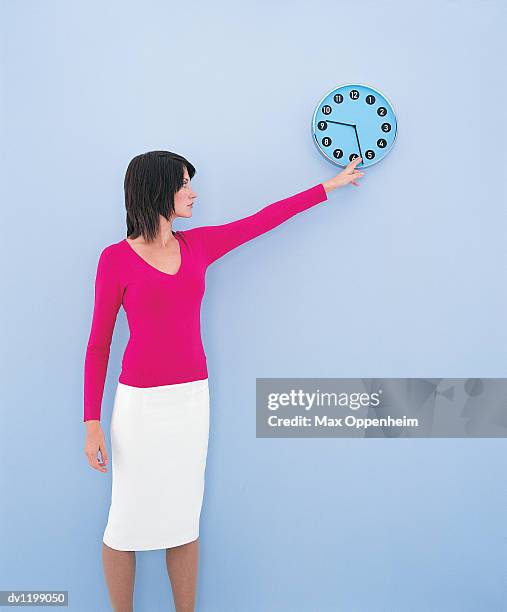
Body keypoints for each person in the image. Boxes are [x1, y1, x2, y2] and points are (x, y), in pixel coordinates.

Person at [83, 150, 365, 611]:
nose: (193, 193)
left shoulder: (198, 246)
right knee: (125, 523)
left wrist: (326, 188)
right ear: (156, 189)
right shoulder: (115, 259)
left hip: (192, 402)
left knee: (183, 518)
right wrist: (91, 421)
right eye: (184, 183)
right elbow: (98, 345)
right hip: (139, 408)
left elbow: (263, 220)